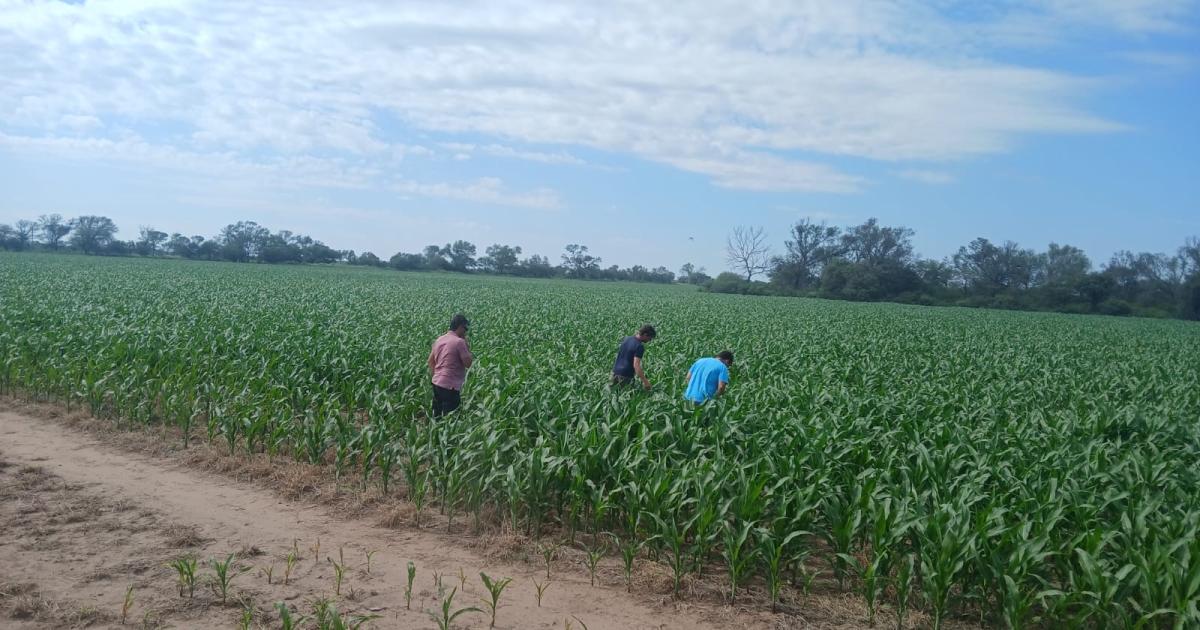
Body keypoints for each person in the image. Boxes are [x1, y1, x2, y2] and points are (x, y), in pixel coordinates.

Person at [428, 313, 473, 416]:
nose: (466, 332)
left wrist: (438, 375)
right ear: (460, 327)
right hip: (450, 386)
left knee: (437, 415)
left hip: (436, 383)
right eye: (465, 329)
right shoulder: (459, 342)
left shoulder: (439, 339)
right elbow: (468, 363)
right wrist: (467, 346)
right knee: (450, 417)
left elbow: (430, 361)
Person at [611, 324, 656, 390]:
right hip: (625, 376)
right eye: (650, 338)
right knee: (625, 398)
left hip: (614, 373)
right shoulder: (639, 346)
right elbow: (636, 366)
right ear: (645, 335)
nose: (649, 341)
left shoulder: (626, 339)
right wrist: (646, 382)